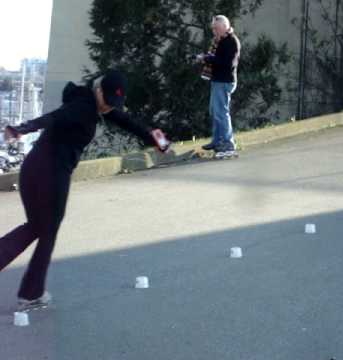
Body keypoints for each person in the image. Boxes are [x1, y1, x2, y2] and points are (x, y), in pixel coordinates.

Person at [0, 70, 168, 310]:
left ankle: (30, 290)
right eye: (107, 101)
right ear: (98, 90)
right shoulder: (82, 107)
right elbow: (54, 118)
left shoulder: (97, 105)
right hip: (51, 174)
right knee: (46, 230)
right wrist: (22, 128)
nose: (109, 108)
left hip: (35, 169)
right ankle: (31, 293)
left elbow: (126, 121)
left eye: (114, 104)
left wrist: (157, 140)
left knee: (38, 227)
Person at [198, 15, 241, 157]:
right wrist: (207, 58)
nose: (214, 31)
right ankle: (217, 141)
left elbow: (226, 63)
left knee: (221, 113)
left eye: (216, 28)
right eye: (213, 28)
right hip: (218, 80)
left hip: (224, 81)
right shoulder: (221, 40)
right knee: (214, 111)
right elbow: (218, 59)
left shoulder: (230, 41)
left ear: (224, 27)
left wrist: (207, 58)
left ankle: (228, 144)